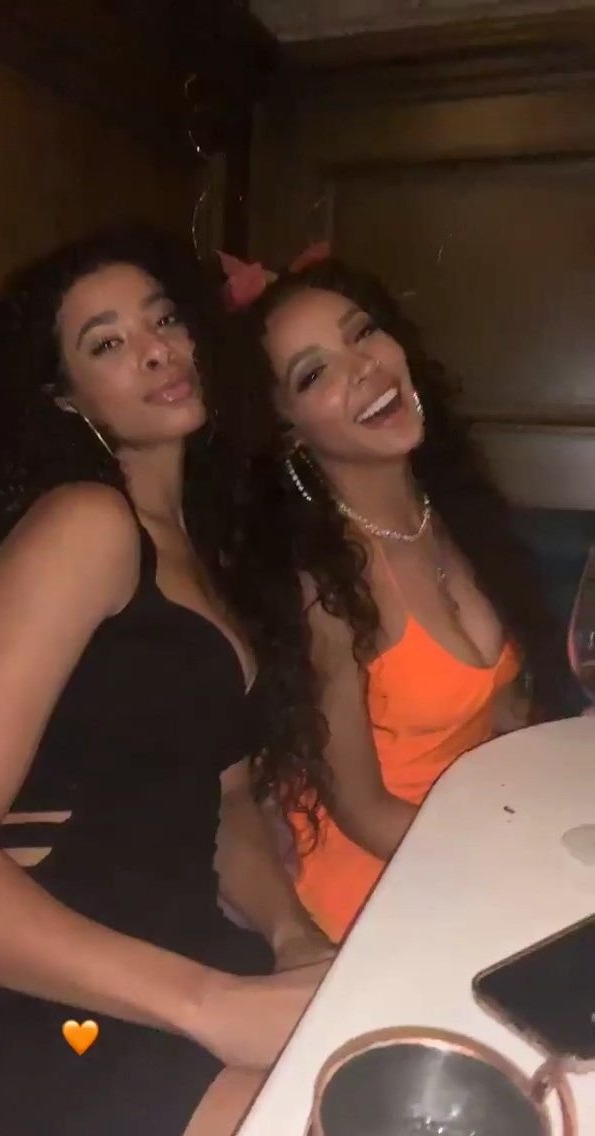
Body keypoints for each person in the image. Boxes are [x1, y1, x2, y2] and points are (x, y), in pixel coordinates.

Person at [0, 225, 333, 1136]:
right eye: (107, 344)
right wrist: (211, 1004)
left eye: (163, 320)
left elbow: (226, 798)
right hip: (52, 989)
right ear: (63, 395)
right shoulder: (82, 526)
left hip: (183, 952)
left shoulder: (206, 548)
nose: (157, 350)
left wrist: (292, 937)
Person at [219, 254, 571, 942]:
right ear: (289, 431)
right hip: (380, 898)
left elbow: (499, 710)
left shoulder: (453, 513)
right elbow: (365, 814)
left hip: (478, 847)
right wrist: (520, 852)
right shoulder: (321, 583)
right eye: (314, 373)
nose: (363, 367)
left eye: (363, 332)